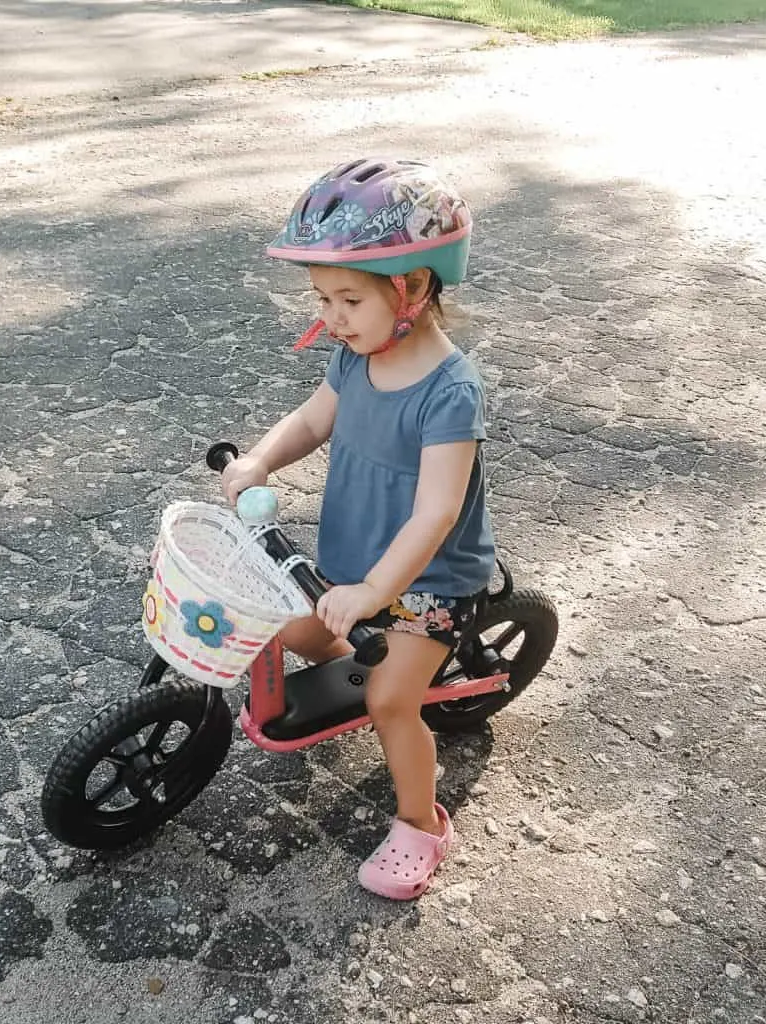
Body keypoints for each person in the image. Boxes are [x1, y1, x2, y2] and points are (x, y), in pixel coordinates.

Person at [220, 158, 496, 900]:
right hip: (354, 566)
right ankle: (347, 636)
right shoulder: (354, 356)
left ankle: (422, 822)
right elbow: (314, 419)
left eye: (347, 298)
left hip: (427, 585)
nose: (332, 316)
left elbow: (437, 512)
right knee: (280, 629)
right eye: (322, 298)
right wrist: (261, 460)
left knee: (388, 701)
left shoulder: (450, 392)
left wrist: (377, 589)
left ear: (412, 288)